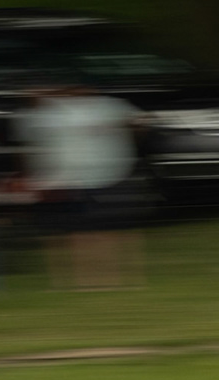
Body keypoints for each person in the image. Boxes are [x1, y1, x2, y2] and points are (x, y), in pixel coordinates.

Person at [14, 84, 147, 289]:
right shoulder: (38, 115)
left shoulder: (108, 105)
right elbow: (29, 149)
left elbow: (138, 122)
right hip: (65, 180)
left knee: (107, 229)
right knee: (73, 232)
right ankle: (78, 280)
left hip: (108, 174)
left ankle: (113, 278)